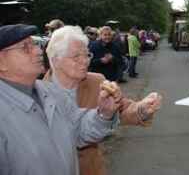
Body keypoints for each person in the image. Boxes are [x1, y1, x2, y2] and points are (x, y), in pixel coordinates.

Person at [0, 24, 119, 175]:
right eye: (25, 47)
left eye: (35, 44)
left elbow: (79, 128)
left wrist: (104, 114)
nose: (38, 51)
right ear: (1, 62)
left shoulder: (50, 92)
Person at [43, 26, 162, 175]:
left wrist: (142, 109)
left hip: (91, 169)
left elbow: (122, 108)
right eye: (76, 56)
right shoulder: (38, 92)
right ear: (55, 59)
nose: (85, 61)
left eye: (87, 55)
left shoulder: (96, 81)